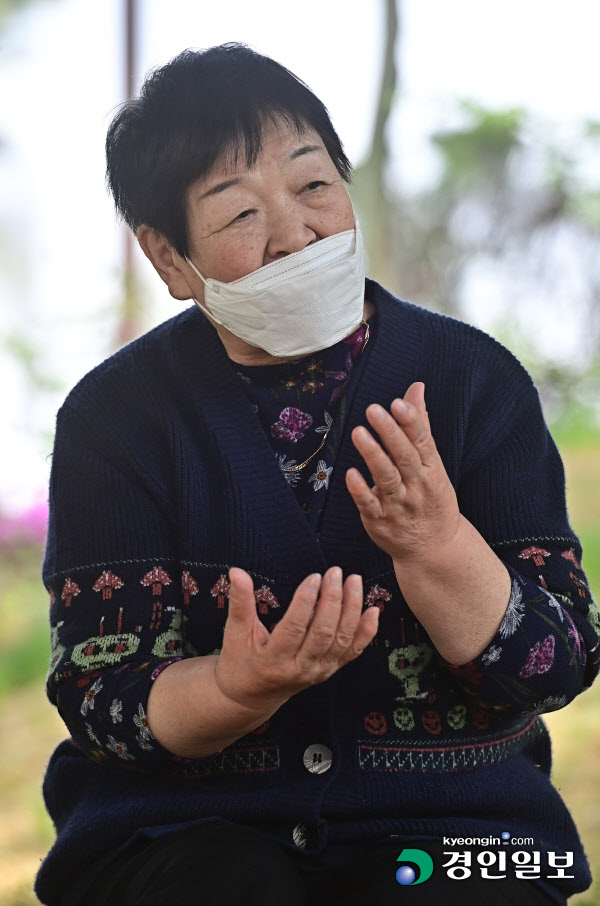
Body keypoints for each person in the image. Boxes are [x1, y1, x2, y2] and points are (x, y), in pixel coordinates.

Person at [36, 43, 599, 906]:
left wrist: (437, 545)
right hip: (167, 838)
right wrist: (232, 690)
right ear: (169, 259)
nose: (296, 233)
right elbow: (99, 700)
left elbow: (561, 666)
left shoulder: (477, 382)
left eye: (313, 186)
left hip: (481, 838)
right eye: (238, 215)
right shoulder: (115, 423)